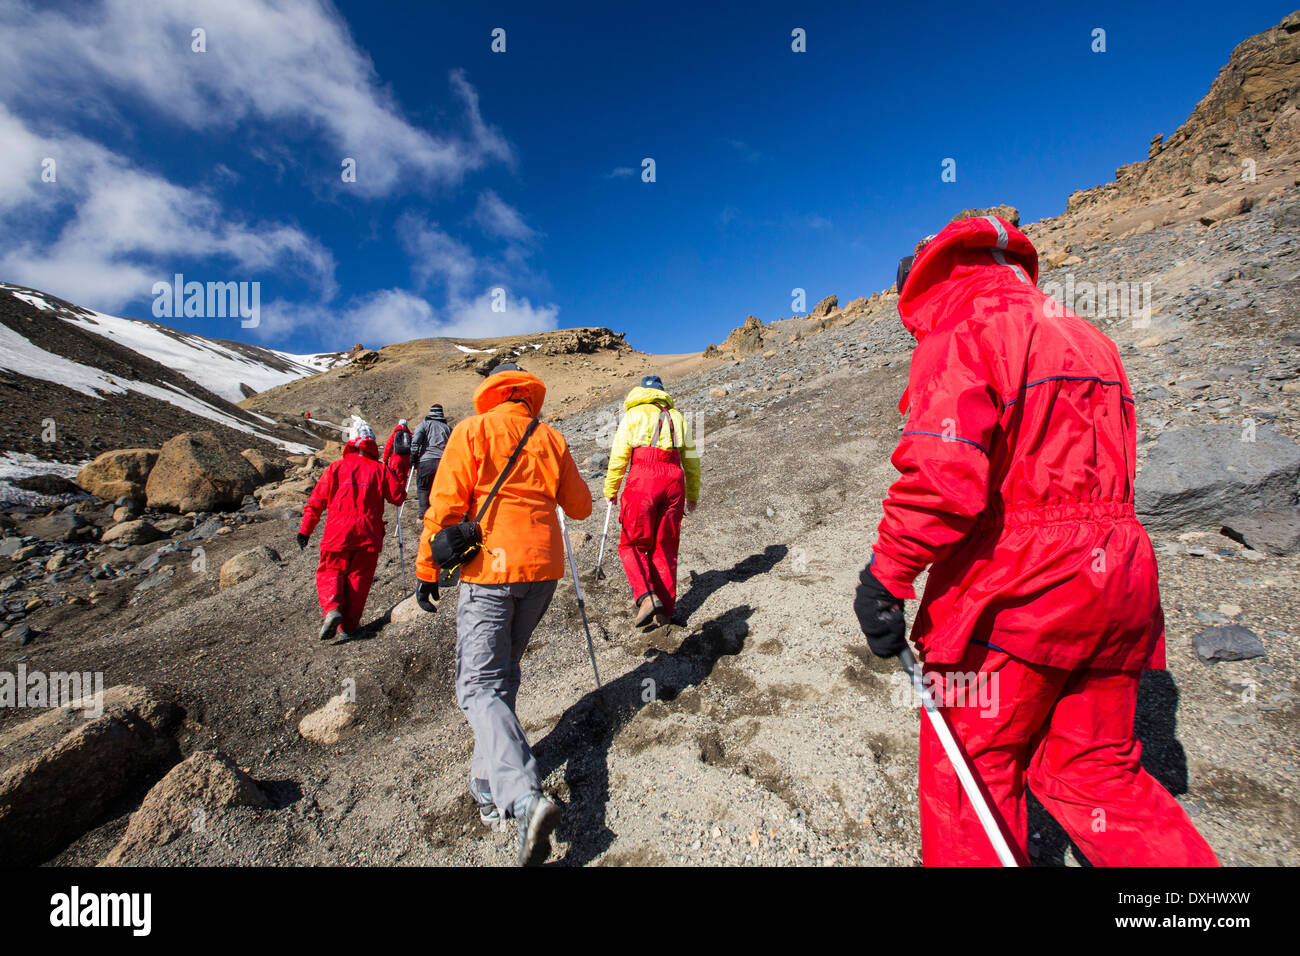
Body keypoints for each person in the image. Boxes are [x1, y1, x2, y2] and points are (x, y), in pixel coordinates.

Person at [853, 214, 1218, 866]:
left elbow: (944, 476)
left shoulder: (962, 329)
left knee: (972, 768)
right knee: (1098, 773)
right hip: (1121, 582)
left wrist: (887, 574)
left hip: (1017, 594)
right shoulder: (1087, 335)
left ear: (926, 282)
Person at [414, 364, 591, 866]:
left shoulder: (472, 430)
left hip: (491, 572)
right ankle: (487, 788)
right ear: (529, 397)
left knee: (476, 686)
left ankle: (524, 798)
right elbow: (579, 507)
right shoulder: (551, 437)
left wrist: (428, 568)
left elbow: (444, 507)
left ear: (490, 394)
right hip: (542, 572)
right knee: (501, 676)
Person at [298, 417, 410, 641]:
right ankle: (348, 626)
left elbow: (316, 502)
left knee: (330, 571)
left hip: (337, 533)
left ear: (351, 442)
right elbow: (398, 497)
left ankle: (332, 609)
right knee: (359, 577)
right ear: (371, 443)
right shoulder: (380, 469)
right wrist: (400, 467)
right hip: (368, 533)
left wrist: (305, 530)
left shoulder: (335, 468)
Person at [602, 375, 700, 628]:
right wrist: (692, 494)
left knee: (632, 543)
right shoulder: (677, 417)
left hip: (644, 478)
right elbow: (691, 459)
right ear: (662, 393)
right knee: (665, 547)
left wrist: (611, 488)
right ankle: (665, 612)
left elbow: (619, 455)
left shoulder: (633, 416)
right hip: (674, 481)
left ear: (641, 392)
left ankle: (646, 596)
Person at [410, 403, 452, 514]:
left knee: (423, 488)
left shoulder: (424, 425)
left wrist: (413, 458)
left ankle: (423, 515)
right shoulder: (448, 428)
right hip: (443, 463)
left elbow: (415, 442)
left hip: (426, 460)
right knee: (440, 490)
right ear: (442, 414)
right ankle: (440, 515)